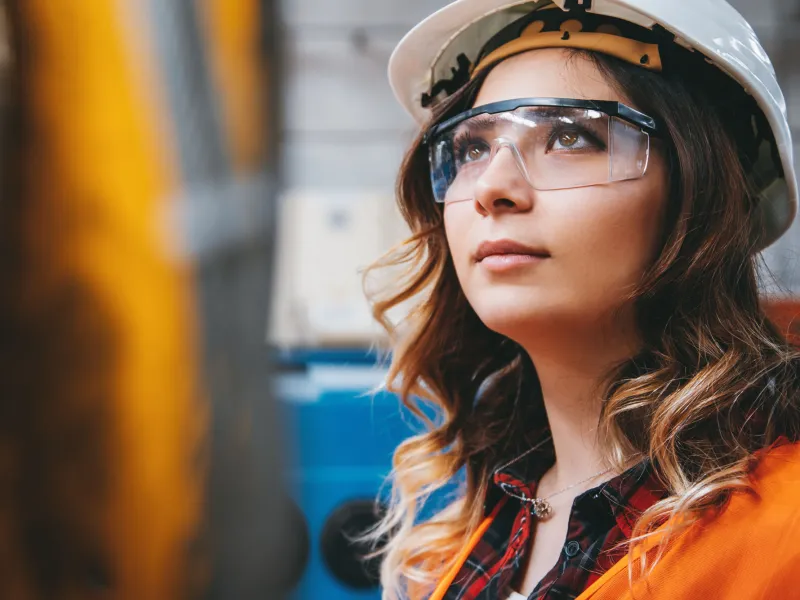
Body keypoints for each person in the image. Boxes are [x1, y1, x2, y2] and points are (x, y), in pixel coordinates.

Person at [365, 0, 800, 599]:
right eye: (471, 148)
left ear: (700, 194)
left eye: (570, 136)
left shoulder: (783, 536)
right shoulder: (457, 545)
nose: (492, 187)